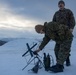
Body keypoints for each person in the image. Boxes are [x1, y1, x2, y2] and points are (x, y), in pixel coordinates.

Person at [52, 0, 75, 66]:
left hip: (66, 32)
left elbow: (72, 20)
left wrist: (71, 28)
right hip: (59, 33)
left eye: (61, 4)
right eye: (59, 4)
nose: (60, 5)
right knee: (58, 48)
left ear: (64, 5)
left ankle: (67, 60)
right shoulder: (56, 13)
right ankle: (59, 63)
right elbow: (53, 22)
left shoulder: (68, 11)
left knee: (65, 48)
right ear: (58, 5)